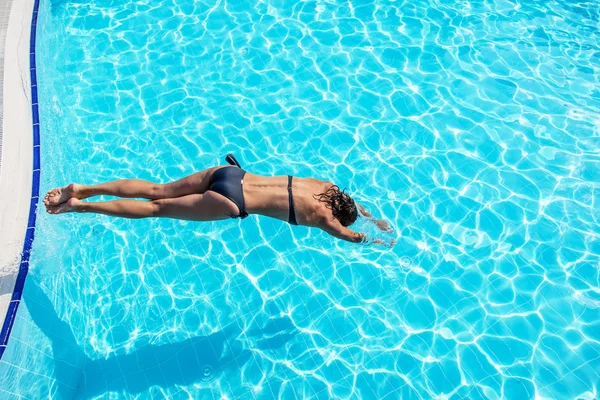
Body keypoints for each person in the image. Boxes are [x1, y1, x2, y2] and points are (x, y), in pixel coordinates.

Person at [44, 154, 393, 244]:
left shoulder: (322, 184)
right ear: (336, 215)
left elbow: (352, 203)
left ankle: (83, 187)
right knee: (155, 210)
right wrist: (377, 237)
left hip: (231, 175)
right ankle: (80, 206)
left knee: (156, 190)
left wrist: (371, 215)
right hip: (230, 201)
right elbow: (353, 237)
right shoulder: (324, 219)